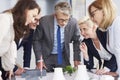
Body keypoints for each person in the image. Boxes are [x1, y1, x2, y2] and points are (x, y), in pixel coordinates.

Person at [33, 2, 81, 72]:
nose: (64, 23)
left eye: (66, 20)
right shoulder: (44, 21)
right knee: (43, 76)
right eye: (61, 20)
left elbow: (77, 41)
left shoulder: (73, 23)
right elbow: (36, 40)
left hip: (62, 57)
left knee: (66, 75)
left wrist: (77, 59)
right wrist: (39, 59)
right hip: (46, 56)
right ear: (55, 15)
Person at [0, 0, 40, 79]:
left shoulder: (14, 25)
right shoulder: (5, 19)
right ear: (25, 10)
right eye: (33, 16)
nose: (33, 20)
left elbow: (9, 50)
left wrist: (10, 67)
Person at [88, 0, 120, 76]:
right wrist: (116, 73)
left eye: (93, 14)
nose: (92, 19)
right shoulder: (109, 29)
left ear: (104, 10)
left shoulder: (118, 25)